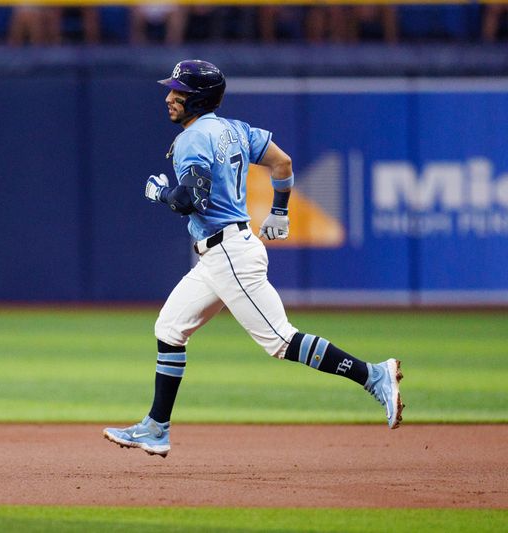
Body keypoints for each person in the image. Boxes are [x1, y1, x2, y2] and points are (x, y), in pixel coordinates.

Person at [103, 60, 404, 458]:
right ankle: (157, 428)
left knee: (281, 340)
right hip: (220, 253)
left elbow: (188, 200)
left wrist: (159, 192)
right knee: (170, 328)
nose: (169, 96)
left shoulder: (193, 139)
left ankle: (374, 375)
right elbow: (283, 163)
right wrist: (279, 210)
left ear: (198, 98)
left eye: (178, 91)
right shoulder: (236, 129)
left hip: (228, 253)